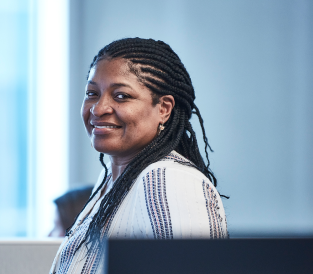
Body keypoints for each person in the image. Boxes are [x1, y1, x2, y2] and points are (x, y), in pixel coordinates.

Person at [50, 38, 228, 274]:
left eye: (121, 96)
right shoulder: (110, 183)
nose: (98, 108)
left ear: (163, 108)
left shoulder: (168, 179)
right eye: (92, 93)